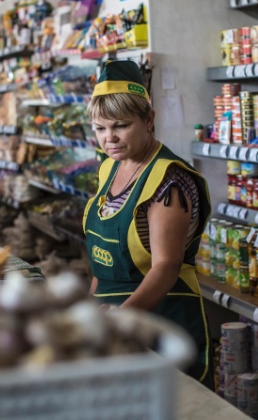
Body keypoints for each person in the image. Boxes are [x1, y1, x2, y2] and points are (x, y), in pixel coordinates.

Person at [83, 60, 213, 387]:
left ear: (149, 119)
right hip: (112, 325)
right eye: (100, 128)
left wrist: (122, 318)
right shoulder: (109, 168)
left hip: (161, 323)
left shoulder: (168, 181)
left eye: (121, 126)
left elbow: (166, 266)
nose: (109, 138)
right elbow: (103, 267)